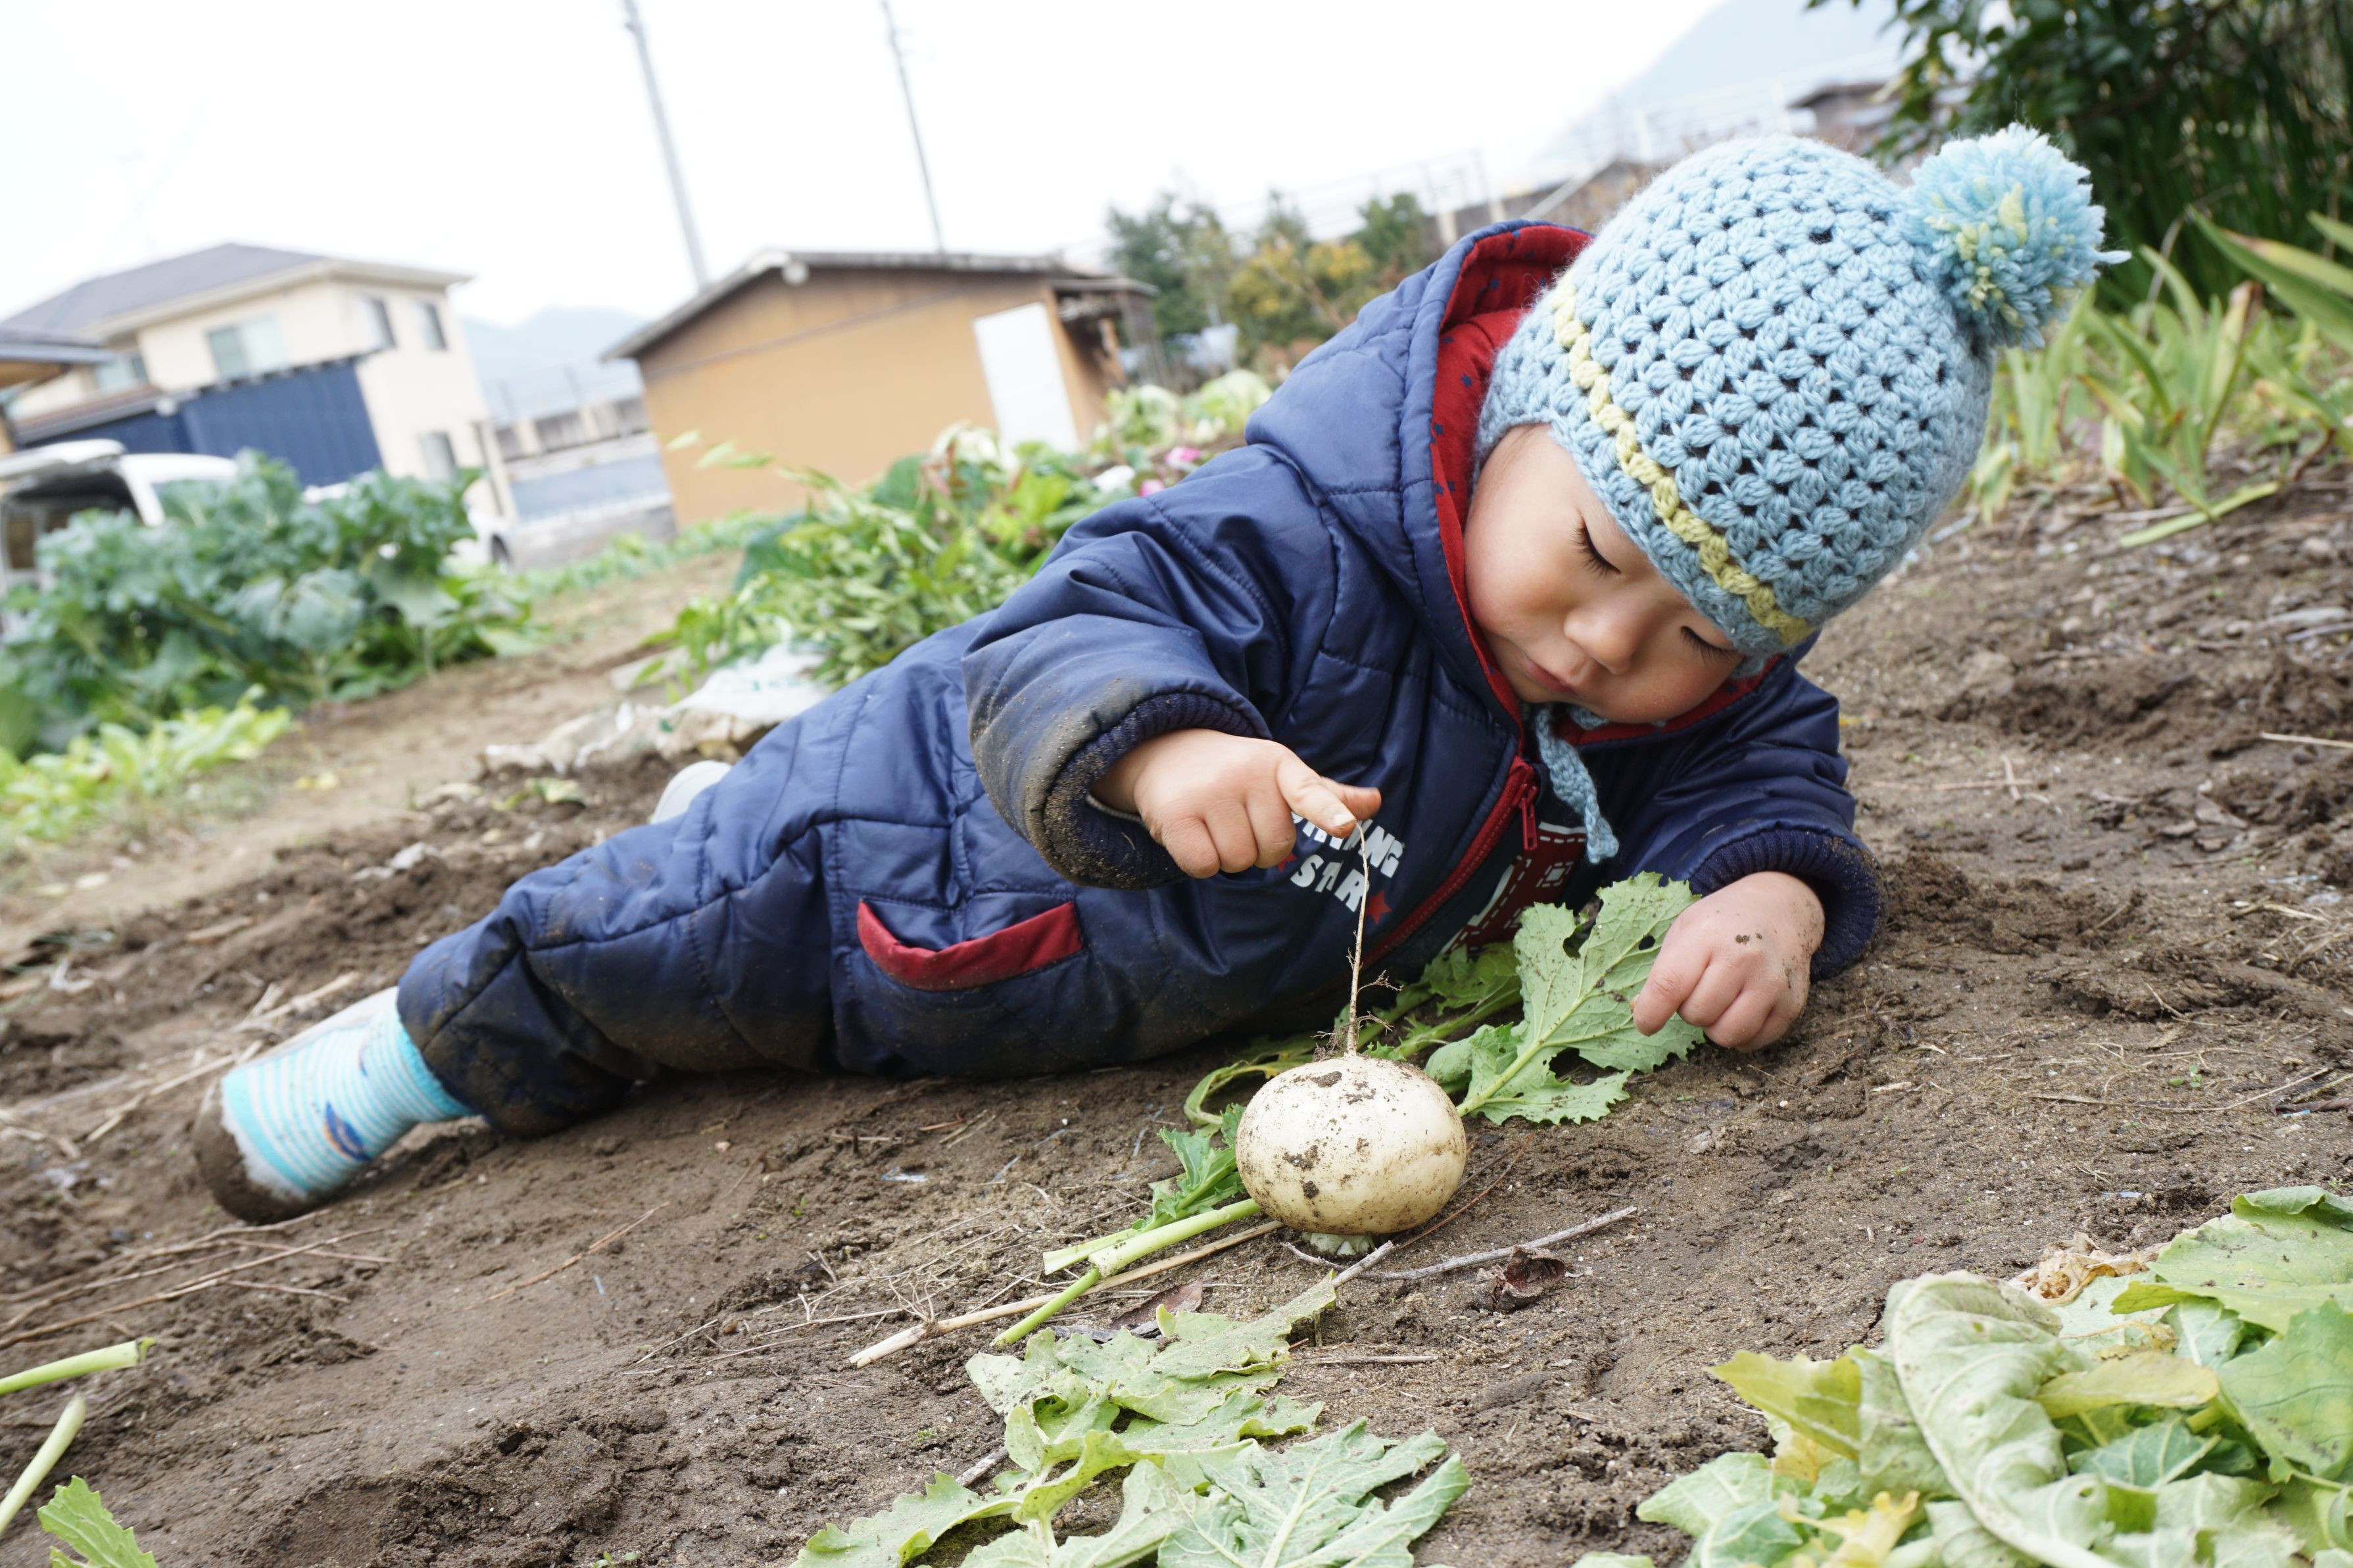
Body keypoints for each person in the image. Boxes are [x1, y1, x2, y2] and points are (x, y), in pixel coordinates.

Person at [195, 128, 2116, 1222]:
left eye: (1702, 630)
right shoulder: (1296, 528)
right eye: (1604, 557)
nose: (1614, 646)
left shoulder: (1664, 679)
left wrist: (1771, 892)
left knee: (706, 918)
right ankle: (403, 1054)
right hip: (919, 860)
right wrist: (1166, 744)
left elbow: (1763, 766)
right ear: (1515, 416)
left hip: (1105, 981)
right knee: (664, 943)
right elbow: (1069, 625)